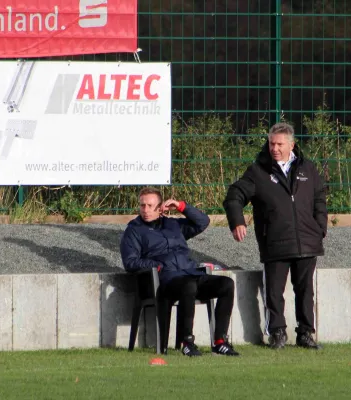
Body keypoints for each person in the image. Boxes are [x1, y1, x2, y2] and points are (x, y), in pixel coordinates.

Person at [223, 122, 327, 350]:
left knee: (306, 291)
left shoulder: (307, 169)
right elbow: (234, 195)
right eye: (271, 143)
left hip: (308, 241)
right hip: (275, 242)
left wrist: (320, 227)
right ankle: (277, 333)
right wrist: (237, 221)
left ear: (292, 144)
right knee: (274, 292)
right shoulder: (258, 171)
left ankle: (306, 333)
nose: (275, 148)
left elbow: (319, 198)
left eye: (280, 144)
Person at [120, 187, 240, 357]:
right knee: (188, 286)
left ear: (160, 207)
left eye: (150, 205)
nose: (145, 210)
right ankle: (187, 341)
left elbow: (202, 222)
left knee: (226, 284)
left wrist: (181, 206)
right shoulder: (134, 230)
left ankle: (220, 342)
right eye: (142, 205)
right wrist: (158, 265)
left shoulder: (173, 225)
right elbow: (130, 262)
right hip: (164, 281)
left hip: (189, 272)